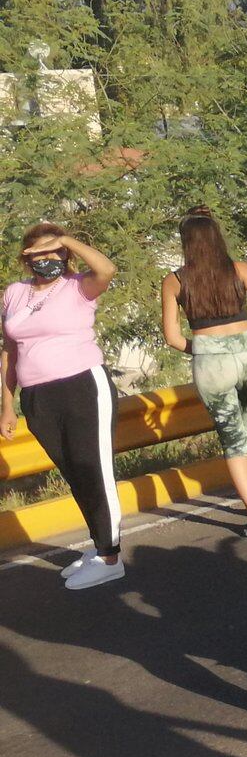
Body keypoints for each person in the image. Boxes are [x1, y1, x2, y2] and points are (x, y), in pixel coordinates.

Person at [1, 225, 125, 590]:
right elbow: (10, 351)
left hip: (83, 386)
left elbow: (108, 269)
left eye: (55, 253)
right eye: (39, 253)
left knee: (93, 468)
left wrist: (67, 239)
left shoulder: (78, 287)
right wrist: (7, 406)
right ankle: (99, 544)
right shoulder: (13, 293)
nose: (48, 259)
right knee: (74, 472)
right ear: (25, 258)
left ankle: (110, 556)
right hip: (38, 396)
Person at [160, 207, 247, 538]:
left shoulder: (174, 281)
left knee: (233, 440)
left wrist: (202, 351)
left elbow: (172, 338)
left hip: (212, 364)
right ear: (217, 237)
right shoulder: (239, 270)